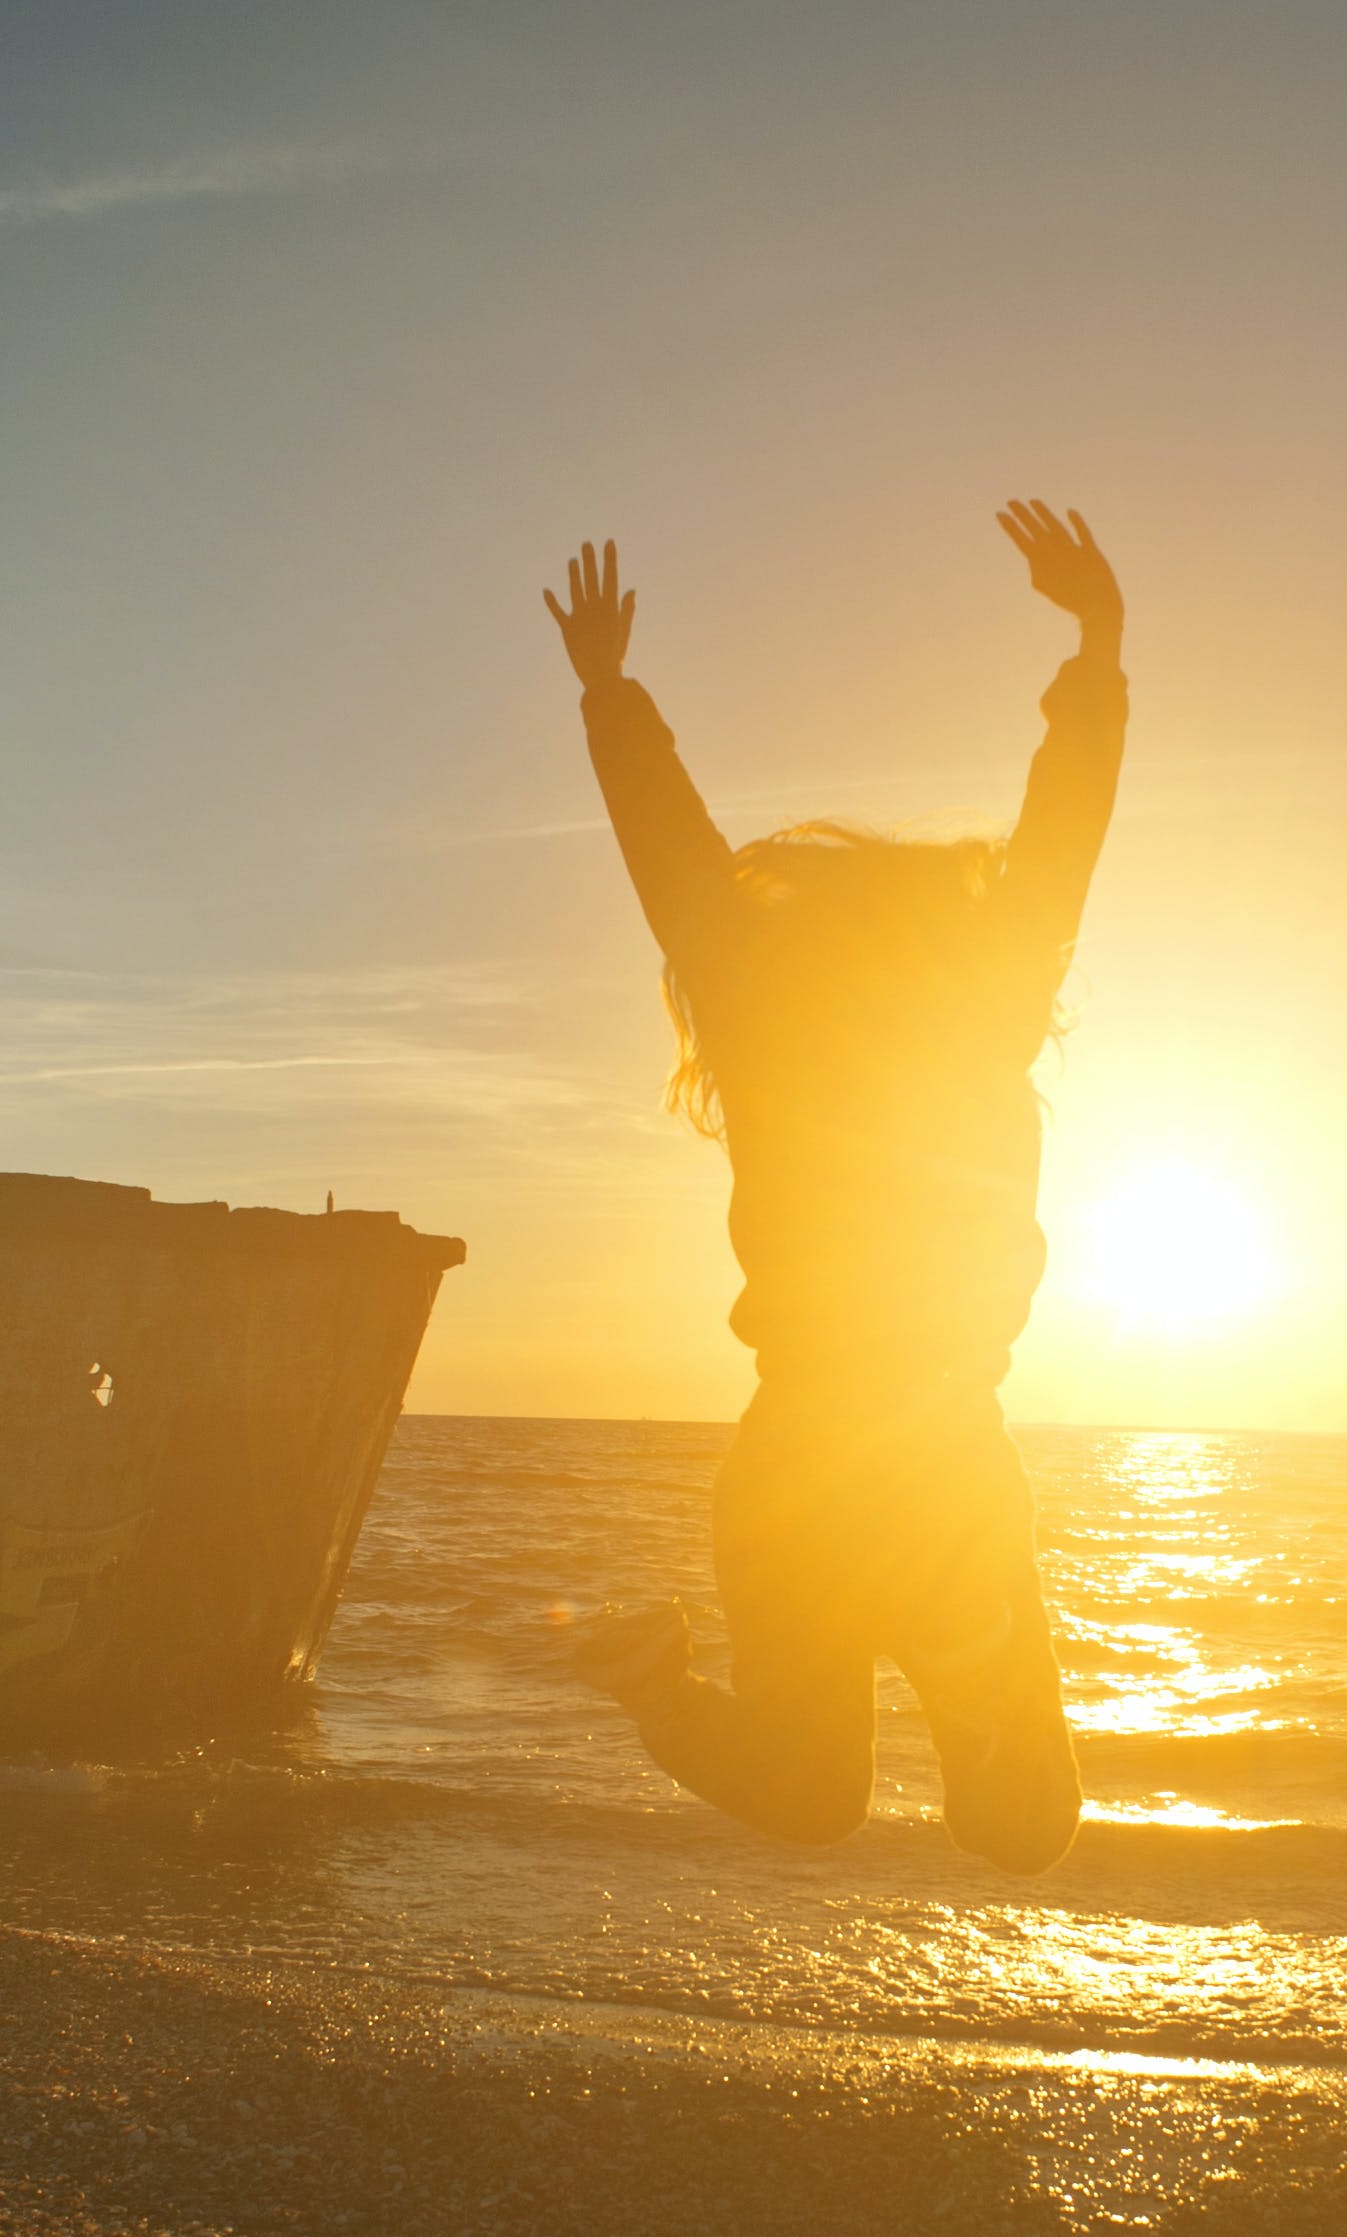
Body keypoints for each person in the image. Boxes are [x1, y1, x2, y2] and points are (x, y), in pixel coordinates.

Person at [542, 502, 1128, 1877]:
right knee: (1028, 1831)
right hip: (937, 1456)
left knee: (812, 1799)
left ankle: (650, 1684)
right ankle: (969, 1641)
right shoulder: (982, 1008)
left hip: (795, 1464)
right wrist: (1097, 640)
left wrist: (610, 695)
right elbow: (1064, 840)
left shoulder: (769, 1028)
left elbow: (679, 875)